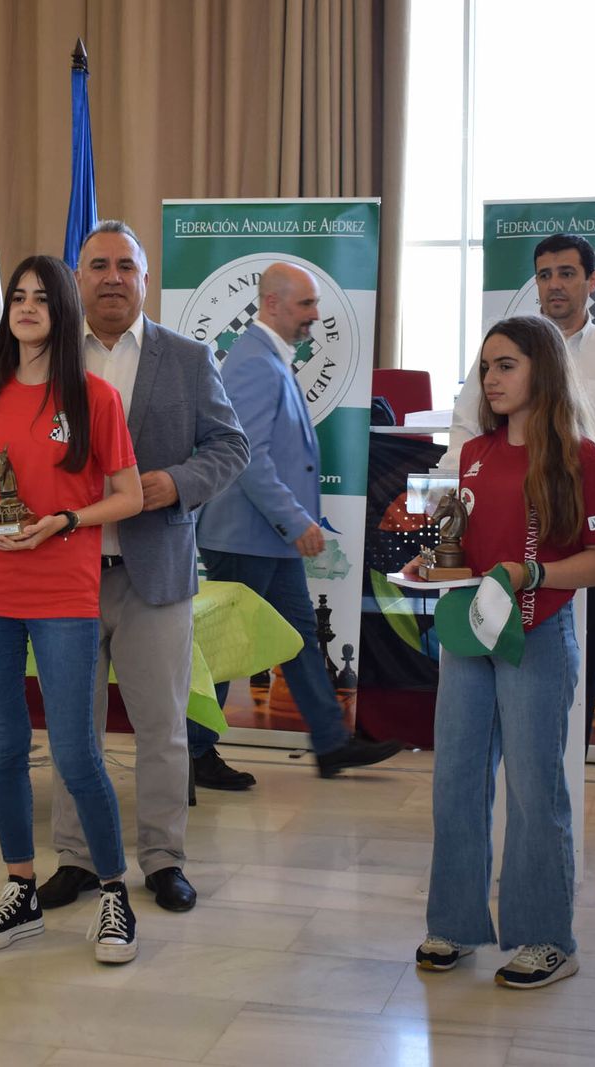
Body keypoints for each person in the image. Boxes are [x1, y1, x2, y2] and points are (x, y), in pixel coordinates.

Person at [37, 221, 249, 915]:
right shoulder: (45, 358)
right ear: (77, 277)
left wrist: (177, 482)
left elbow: (230, 446)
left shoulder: (187, 358)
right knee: (74, 727)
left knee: (161, 726)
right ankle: (75, 856)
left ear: (145, 279)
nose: (111, 277)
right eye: (97, 264)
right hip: (64, 574)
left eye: (125, 266)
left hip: (155, 571)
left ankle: (163, 859)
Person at [411, 315, 595, 989]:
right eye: (486, 367)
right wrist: (433, 564)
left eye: (506, 365)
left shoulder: (582, 457)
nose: (491, 379)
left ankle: (547, 937)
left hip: (536, 633)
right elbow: (468, 548)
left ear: (543, 370)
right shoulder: (474, 454)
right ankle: (454, 921)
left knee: (533, 788)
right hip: (470, 632)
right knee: (457, 779)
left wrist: (536, 573)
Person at [0, 255, 144, 963]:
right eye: (17, 296)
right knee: (3, 749)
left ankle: (115, 891)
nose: (27, 306)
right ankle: (20, 888)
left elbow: (129, 494)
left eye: (40, 297)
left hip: (63, 590)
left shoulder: (95, 398)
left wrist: (64, 520)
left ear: (63, 310)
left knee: (76, 752)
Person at [194, 262, 402, 782]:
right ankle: (191, 753)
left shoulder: (270, 359)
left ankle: (331, 743)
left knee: (298, 638)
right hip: (246, 536)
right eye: (306, 304)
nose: (315, 314)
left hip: (265, 538)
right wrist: (295, 520)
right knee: (224, 647)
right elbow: (247, 456)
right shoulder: (252, 364)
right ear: (272, 304)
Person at [449, 234, 595, 737]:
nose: (554, 284)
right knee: (480, 707)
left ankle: (567, 759)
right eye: (544, 275)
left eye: (566, 273)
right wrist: (453, 517)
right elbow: (465, 435)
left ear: (592, 280)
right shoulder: (500, 349)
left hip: (584, 531)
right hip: (504, 531)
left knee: (574, 672)